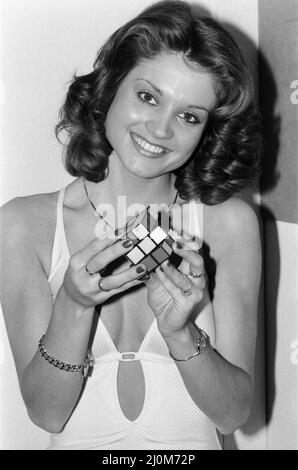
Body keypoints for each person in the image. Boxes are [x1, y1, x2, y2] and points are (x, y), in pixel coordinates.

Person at [0, 0, 262, 450]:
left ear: (207, 131)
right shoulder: (25, 225)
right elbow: (47, 414)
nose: (161, 130)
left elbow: (232, 414)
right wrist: (74, 305)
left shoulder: (229, 226)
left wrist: (181, 333)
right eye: (148, 96)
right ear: (110, 87)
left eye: (189, 115)